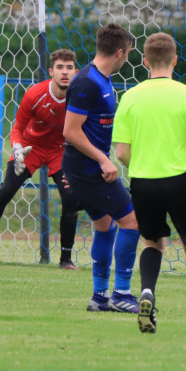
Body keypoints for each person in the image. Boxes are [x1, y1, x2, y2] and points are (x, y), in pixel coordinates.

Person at [113, 33, 186, 337]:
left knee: (152, 243)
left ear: (144, 61)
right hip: (180, 180)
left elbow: (121, 152)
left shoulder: (130, 96)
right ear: (175, 60)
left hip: (143, 183)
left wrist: (143, 167)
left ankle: (146, 291)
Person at [0, 49, 82, 269]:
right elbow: (18, 128)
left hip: (60, 151)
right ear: (51, 71)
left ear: (76, 72)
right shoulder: (35, 94)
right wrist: (18, 148)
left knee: (70, 198)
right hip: (31, 148)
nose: (64, 72)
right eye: (60, 67)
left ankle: (66, 259)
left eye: (69, 68)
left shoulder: (79, 98)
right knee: (5, 192)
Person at [62, 23, 141, 313]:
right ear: (119, 52)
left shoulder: (102, 79)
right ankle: (121, 294)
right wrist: (103, 159)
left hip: (89, 167)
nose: (127, 59)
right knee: (132, 222)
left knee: (105, 226)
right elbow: (70, 131)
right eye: (128, 53)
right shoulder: (87, 82)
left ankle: (100, 297)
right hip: (88, 170)